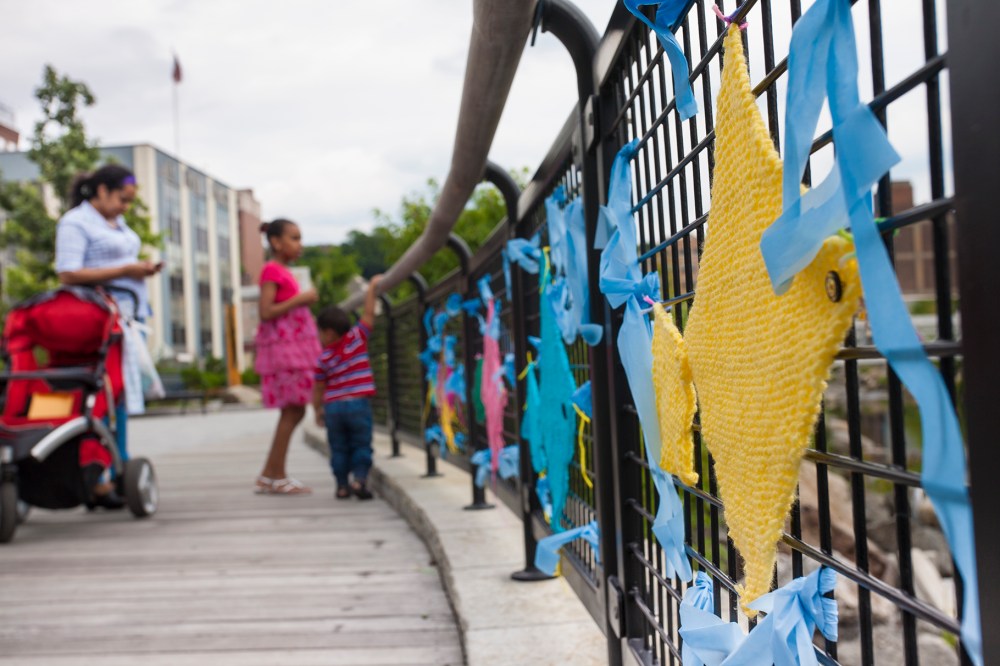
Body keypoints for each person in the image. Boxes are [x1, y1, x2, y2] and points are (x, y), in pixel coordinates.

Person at [55, 164, 162, 508]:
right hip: (96, 323)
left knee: (120, 397)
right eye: (122, 199)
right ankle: (97, 475)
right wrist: (127, 270)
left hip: (124, 320)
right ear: (101, 191)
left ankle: (115, 468)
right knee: (101, 398)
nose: (125, 207)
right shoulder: (75, 222)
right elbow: (68, 272)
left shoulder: (116, 222)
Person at [254, 218, 320, 495]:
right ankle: (276, 475)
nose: (299, 244)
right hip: (285, 350)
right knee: (292, 409)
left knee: (295, 409)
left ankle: (270, 473)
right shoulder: (271, 270)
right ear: (276, 242)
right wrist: (301, 299)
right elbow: (266, 311)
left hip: (293, 347)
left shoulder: (283, 270)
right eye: (294, 238)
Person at [313, 275, 382, 500]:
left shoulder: (323, 358)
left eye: (320, 332)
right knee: (362, 444)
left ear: (328, 332)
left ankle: (342, 486)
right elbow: (369, 314)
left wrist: (317, 410)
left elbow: (319, 387)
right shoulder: (357, 338)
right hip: (358, 404)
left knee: (339, 447)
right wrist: (371, 287)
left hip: (334, 407)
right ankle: (359, 480)